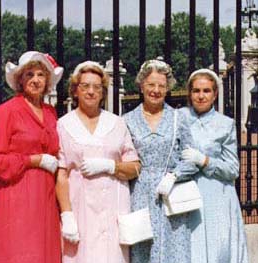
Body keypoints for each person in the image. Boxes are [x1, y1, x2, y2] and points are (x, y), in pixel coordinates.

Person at [56, 61, 140, 263]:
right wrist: (67, 216)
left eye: (97, 87)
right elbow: (61, 174)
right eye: (85, 86)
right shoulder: (64, 125)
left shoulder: (117, 124)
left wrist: (111, 166)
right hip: (80, 208)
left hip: (113, 208)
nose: (91, 92)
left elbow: (135, 167)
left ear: (103, 93)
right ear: (75, 91)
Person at [0, 51, 64, 263]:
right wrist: (33, 160)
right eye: (29, 74)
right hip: (17, 196)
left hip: (45, 198)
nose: (35, 80)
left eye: (40, 75)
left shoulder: (50, 112)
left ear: (48, 80)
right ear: (20, 79)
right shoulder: (7, 110)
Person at [123, 59, 199, 263]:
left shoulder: (178, 118)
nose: (156, 90)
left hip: (171, 195)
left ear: (168, 89)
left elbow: (191, 157)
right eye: (151, 85)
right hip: (139, 194)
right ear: (141, 86)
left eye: (161, 86)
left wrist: (175, 175)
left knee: (173, 251)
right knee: (143, 251)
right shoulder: (126, 120)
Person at [180, 68, 249, 263]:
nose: (201, 96)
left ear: (215, 94)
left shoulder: (225, 124)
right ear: (189, 93)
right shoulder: (179, 118)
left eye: (206, 91)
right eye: (196, 91)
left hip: (217, 197)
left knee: (218, 250)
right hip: (186, 196)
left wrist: (205, 161)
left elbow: (233, 169)